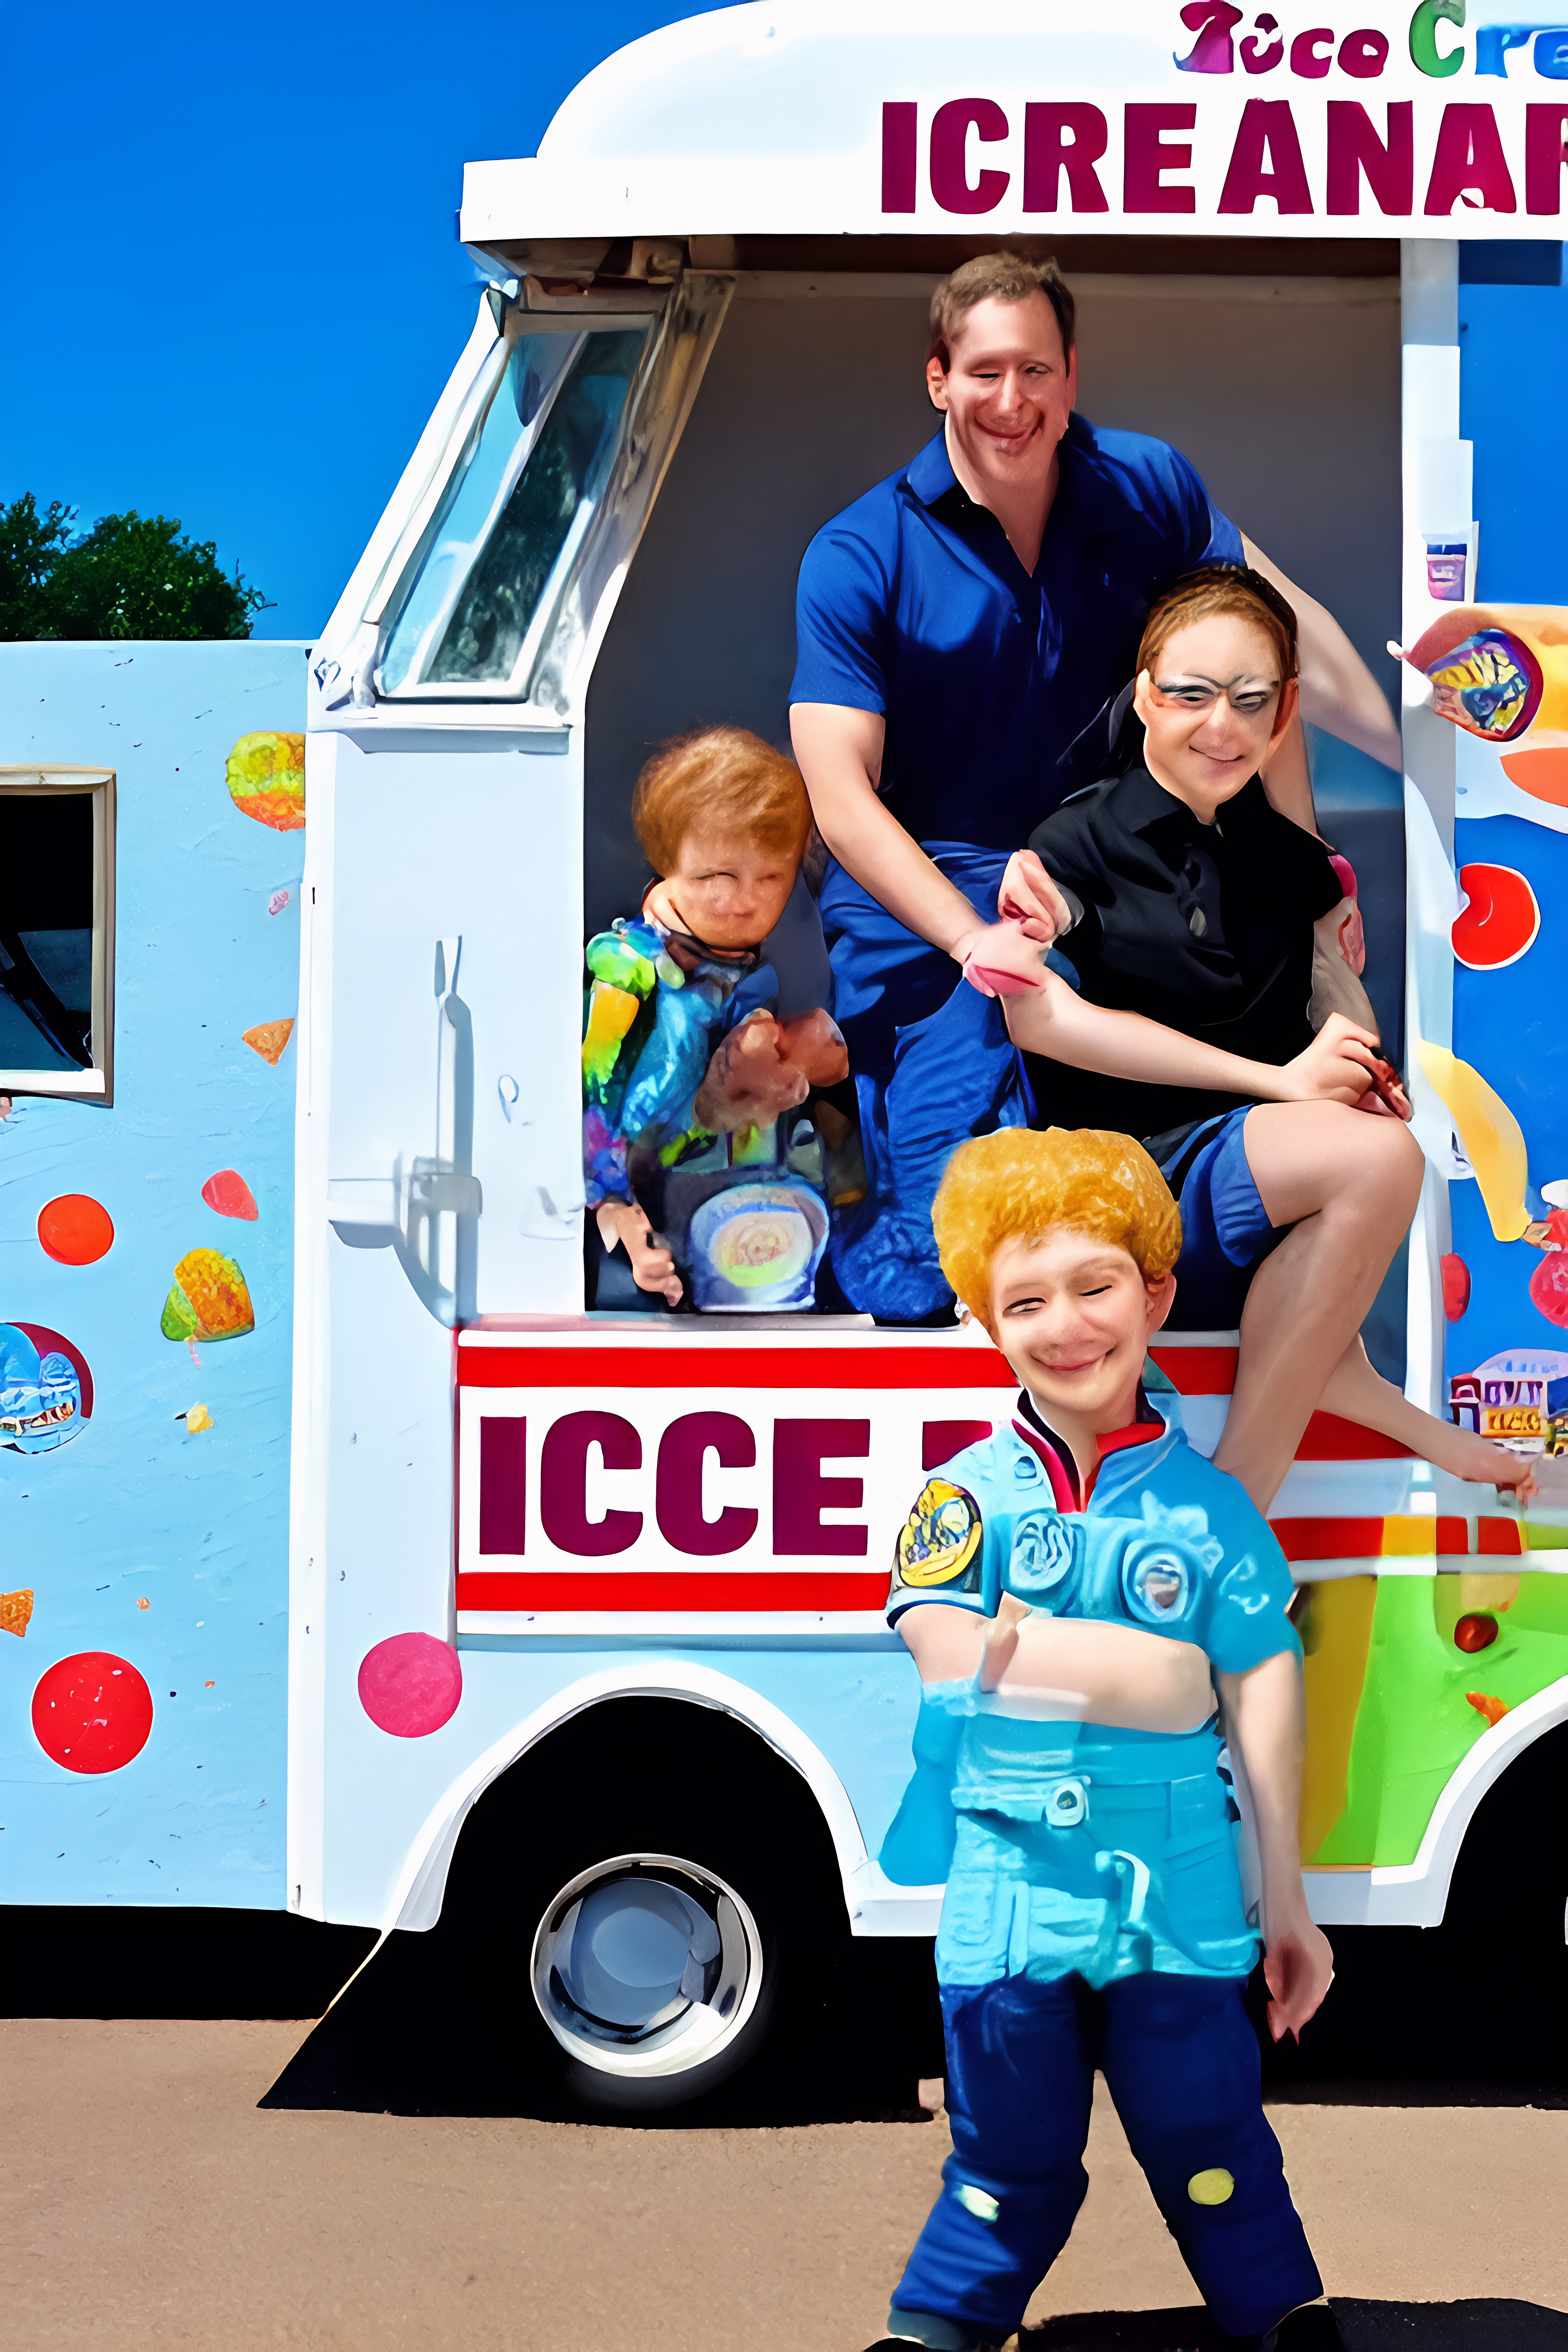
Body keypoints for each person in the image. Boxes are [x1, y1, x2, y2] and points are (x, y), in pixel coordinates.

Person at [790, 250, 1402, 1325]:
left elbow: (1270, 649)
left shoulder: (1146, 484)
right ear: (938, 378)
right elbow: (841, 799)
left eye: (1036, 370)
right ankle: (863, 1243)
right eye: (984, 371)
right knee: (947, 1260)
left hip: (1120, 874)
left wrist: (1353, 829)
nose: (1012, 400)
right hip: (936, 905)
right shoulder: (859, 553)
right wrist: (975, 942)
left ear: (1072, 374)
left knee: (1184, 1171)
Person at [865, 1127, 1341, 2352]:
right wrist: (1167, 1676)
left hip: (1181, 1888)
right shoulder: (961, 1498)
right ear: (986, 1321)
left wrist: (1288, 1899)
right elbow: (954, 1662)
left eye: (1096, 1286)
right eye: (1027, 1301)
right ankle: (939, 2325)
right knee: (1007, 2150)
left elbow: (1262, 1689)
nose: (1068, 1326)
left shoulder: (1213, 1509)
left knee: (1208, 2132)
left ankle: (1278, 2313)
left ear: (1157, 1295)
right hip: (1009, 1887)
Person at [977, 565, 1536, 1514]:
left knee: (1379, 1144)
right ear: (1144, 697)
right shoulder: (1072, 844)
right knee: (1376, 1158)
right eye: (1191, 695)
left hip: (1243, 1186)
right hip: (1123, 1188)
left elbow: (1342, 1029)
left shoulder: (1297, 864)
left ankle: (1334, 1403)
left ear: (1284, 714)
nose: (1222, 726)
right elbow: (1037, 1018)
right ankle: (1235, 1505)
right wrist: (1282, 1082)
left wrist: (1355, 1069)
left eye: (1250, 701)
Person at [582, 725, 848, 1309]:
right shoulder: (629, 971)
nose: (744, 901)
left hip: (740, 1219)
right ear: (667, 863)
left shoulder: (751, 979)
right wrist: (614, 1209)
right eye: (716, 879)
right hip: (636, 1216)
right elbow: (592, 1098)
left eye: (772, 878)